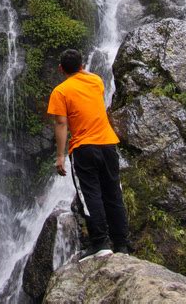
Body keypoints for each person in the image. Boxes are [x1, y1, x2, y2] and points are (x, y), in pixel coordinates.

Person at [47, 47, 129, 262]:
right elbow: (88, 75)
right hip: (109, 145)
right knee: (113, 194)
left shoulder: (61, 91)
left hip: (84, 148)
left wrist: (60, 156)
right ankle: (122, 244)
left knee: (90, 194)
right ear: (83, 66)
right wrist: (81, 69)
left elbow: (61, 123)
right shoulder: (96, 82)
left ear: (60, 69)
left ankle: (101, 243)